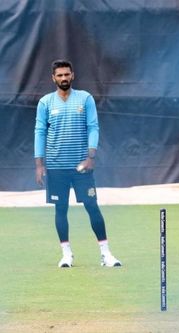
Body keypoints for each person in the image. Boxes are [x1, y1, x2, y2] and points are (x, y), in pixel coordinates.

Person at [34, 59, 121, 268]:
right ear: (53, 78)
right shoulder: (46, 102)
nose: (64, 78)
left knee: (92, 206)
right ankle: (66, 254)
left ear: (73, 75)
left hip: (81, 166)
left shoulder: (85, 99)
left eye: (67, 74)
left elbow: (93, 127)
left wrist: (91, 157)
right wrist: (39, 164)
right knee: (60, 209)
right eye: (60, 75)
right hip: (56, 167)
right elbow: (40, 132)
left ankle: (106, 254)